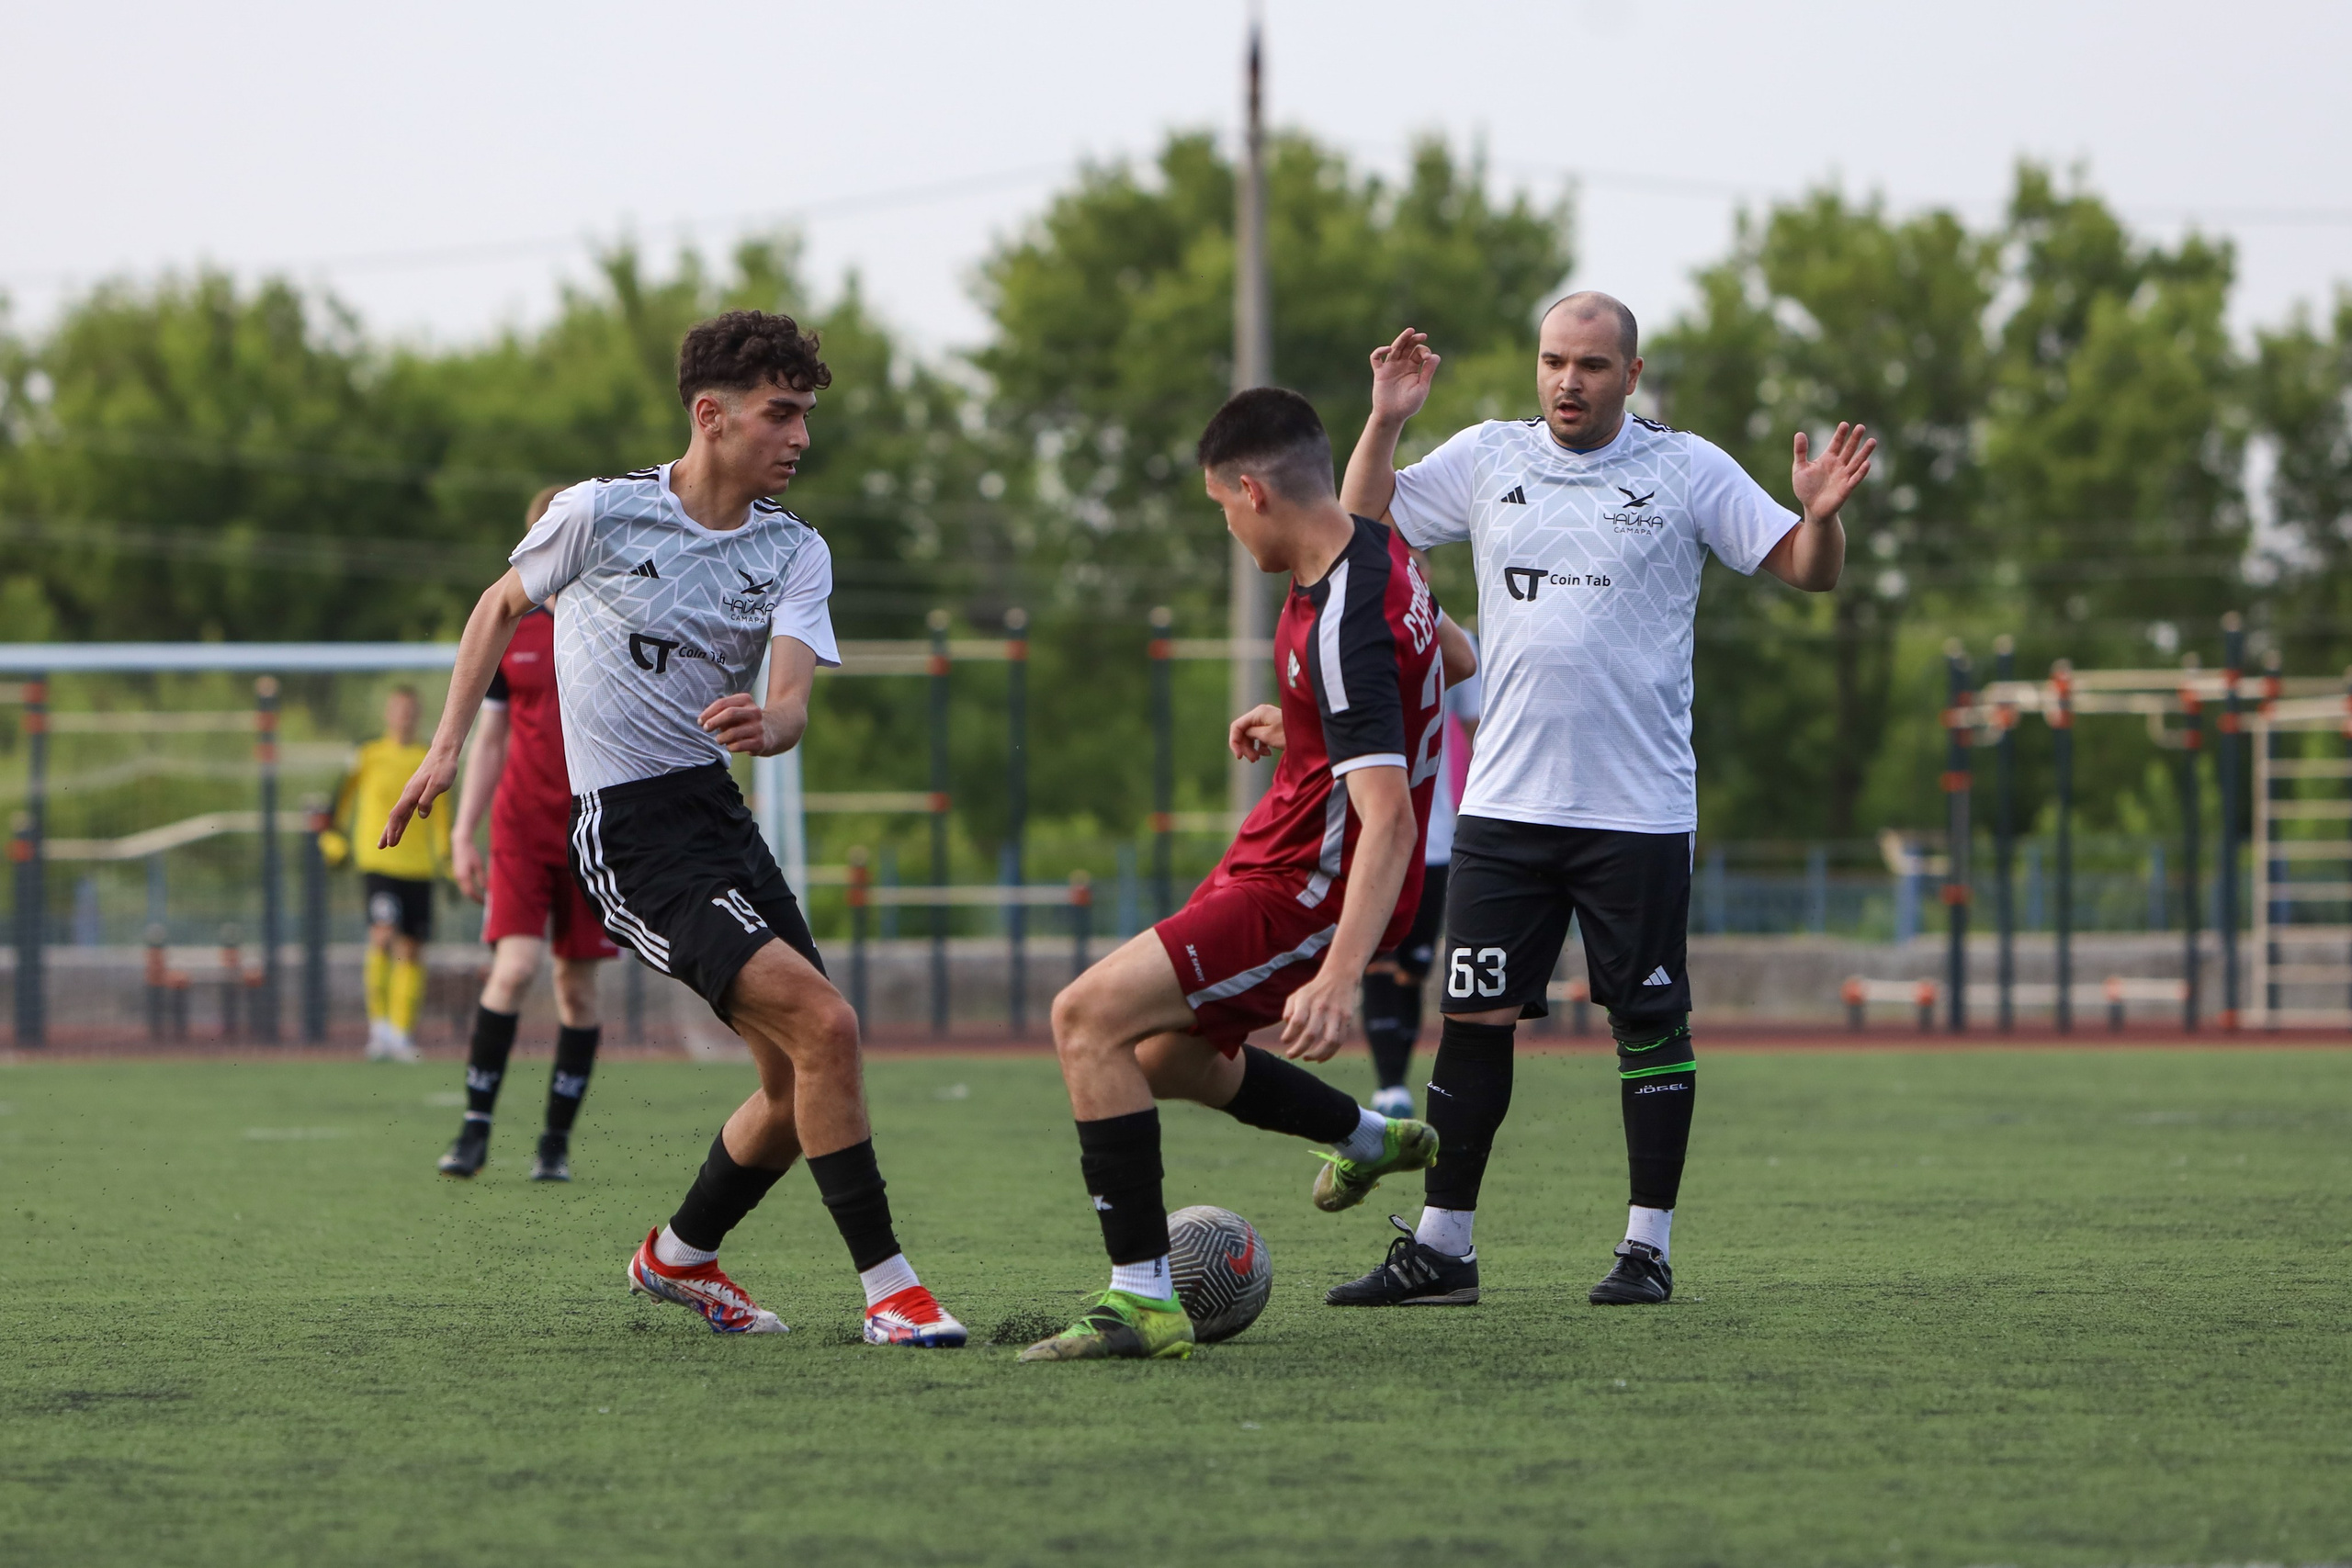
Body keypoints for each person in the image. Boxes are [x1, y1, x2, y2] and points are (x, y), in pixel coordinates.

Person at [380, 310, 966, 1347]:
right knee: (828, 1028)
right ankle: (893, 1292)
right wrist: (442, 748)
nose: (800, 436)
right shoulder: (598, 513)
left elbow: (788, 703)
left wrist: (771, 722)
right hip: (626, 833)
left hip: (715, 813)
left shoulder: (795, 550)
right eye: (781, 414)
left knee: (796, 1078)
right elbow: (495, 606)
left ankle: (680, 1256)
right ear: (712, 415)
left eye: (806, 416)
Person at [1327, 293, 1871, 1309]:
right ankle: (1444, 1249)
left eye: (1589, 364)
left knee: (1649, 1022)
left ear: (1630, 373)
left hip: (1638, 808)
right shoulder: (1491, 455)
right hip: (1506, 808)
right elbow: (1365, 517)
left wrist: (1822, 520)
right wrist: (1386, 417)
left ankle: (1646, 1248)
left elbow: (1807, 572)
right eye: (1552, 361)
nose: (1567, 380)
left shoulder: (1687, 467)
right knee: (1474, 1017)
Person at [1021, 386, 1476, 1364]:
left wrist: (1340, 973)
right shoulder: (1375, 546)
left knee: (1083, 1018)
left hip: (1309, 889)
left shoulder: (1347, 614)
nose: (1226, 526)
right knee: (1159, 1057)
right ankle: (1369, 1139)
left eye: (1222, 507)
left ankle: (1140, 1298)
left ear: (1253, 490)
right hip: (1283, 845)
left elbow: (1390, 820)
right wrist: (1307, 728)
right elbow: (1455, 656)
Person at [435, 483, 623, 1183]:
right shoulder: (512, 628)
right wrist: (463, 832)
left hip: (593, 832)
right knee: (513, 970)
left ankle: (553, 1142)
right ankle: (475, 1126)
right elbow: (489, 742)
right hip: (519, 828)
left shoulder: (611, 625)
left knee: (576, 990)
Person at [1360, 599, 1478, 1119]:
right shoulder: (1354, 623)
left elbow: (1476, 729)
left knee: (1415, 965)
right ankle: (1389, 1083)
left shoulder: (1454, 642)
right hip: (1369, 833)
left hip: (1433, 835)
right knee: (1378, 960)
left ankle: (1397, 1078)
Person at [323, 686, 449, 1063]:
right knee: (381, 935)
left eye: (410, 710)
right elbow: (339, 800)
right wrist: (332, 836)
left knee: (411, 949)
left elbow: (441, 815)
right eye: (398, 710)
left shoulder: (427, 757)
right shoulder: (368, 754)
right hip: (378, 860)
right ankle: (377, 1029)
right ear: (388, 714)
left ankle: (400, 1033)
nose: (404, 717)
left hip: (418, 867)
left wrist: (448, 861)